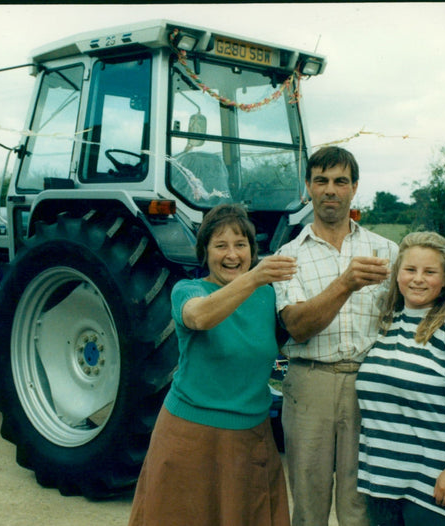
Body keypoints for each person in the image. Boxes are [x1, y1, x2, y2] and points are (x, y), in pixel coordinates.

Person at [128, 203, 298, 526]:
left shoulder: (268, 298)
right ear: (205, 252)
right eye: (220, 246)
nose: (232, 255)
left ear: (252, 249)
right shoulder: (188, 290)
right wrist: (254, 278)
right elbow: (200, 316)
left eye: (240, 245)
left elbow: (277, 352)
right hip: (190, 438)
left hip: (250, 438)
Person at [273, 146, 399, 526]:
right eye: (322, 181)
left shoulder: (386, 250)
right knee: (309, 504)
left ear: (354, 188)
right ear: (307, 188)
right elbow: (297, 325)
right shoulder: (287, 256)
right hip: (310, 381)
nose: (331, 190)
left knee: (360, 505)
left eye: (340, 181)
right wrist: (345, 284)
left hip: (369, 384)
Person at [356, 231, 445, 526]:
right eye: (410, 270)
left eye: (430, 272)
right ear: (397, 275)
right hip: (381, 481)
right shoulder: (383, 324)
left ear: (444, 281)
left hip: (435, 485)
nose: (418, 279)